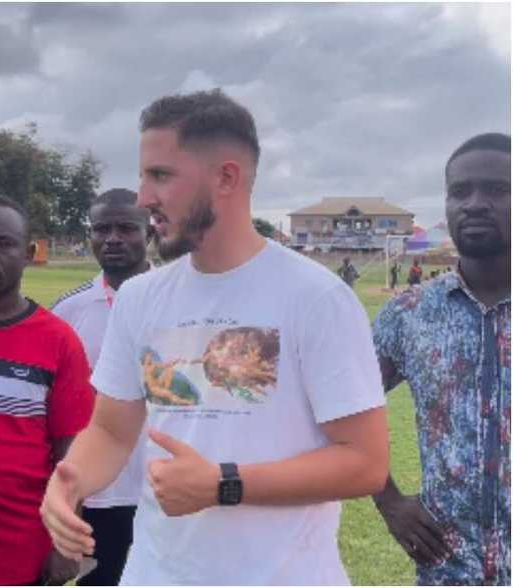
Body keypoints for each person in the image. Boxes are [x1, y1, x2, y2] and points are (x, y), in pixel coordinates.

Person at [39, 89, 389, 585]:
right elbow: (112, 432)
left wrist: (225, 484)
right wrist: (70, 479)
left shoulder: (317, 298)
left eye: (161, 175)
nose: (143, 198)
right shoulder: (141, 297)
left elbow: (365, 462)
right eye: (143, 175)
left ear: (227, 177)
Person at [371, 132, 510, 585]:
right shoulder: (409, 314)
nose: (474, 203)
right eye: (459, 191)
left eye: (497, 190)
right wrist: (388, 500)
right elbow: (341, 410)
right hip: (448, 570)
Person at [0, 197, 94, 585]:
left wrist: (65, 544)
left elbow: (74, 455)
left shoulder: (58, 341)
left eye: (3, 244)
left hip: (16, 554)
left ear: (29, 254)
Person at [50, 188, 150, 586]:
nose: (112, 238)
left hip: (167, 490)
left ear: (151, 234)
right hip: (100, 495)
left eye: (126, 228)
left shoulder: (183, 302)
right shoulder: (68, 313)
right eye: (101, 229)